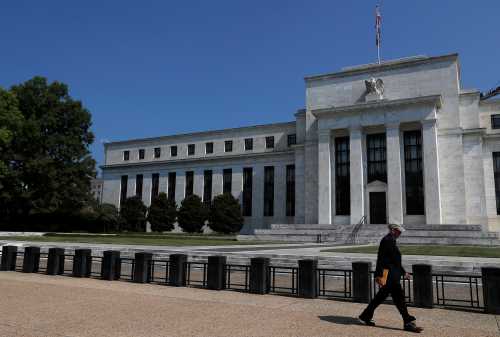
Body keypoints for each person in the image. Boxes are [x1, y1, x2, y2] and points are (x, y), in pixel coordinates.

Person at [358, 223, 423, 333]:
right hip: (389, 275)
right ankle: (407, 321)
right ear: (393, 230)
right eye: (399, 231)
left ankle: (365, 315)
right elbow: (381, 259)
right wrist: (379, 275)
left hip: (391, 274)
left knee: (381, 298)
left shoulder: (390, 239)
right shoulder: (387, 240)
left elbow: (393, 260)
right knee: (398, 298)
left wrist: (403, 272)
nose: (400, 233)